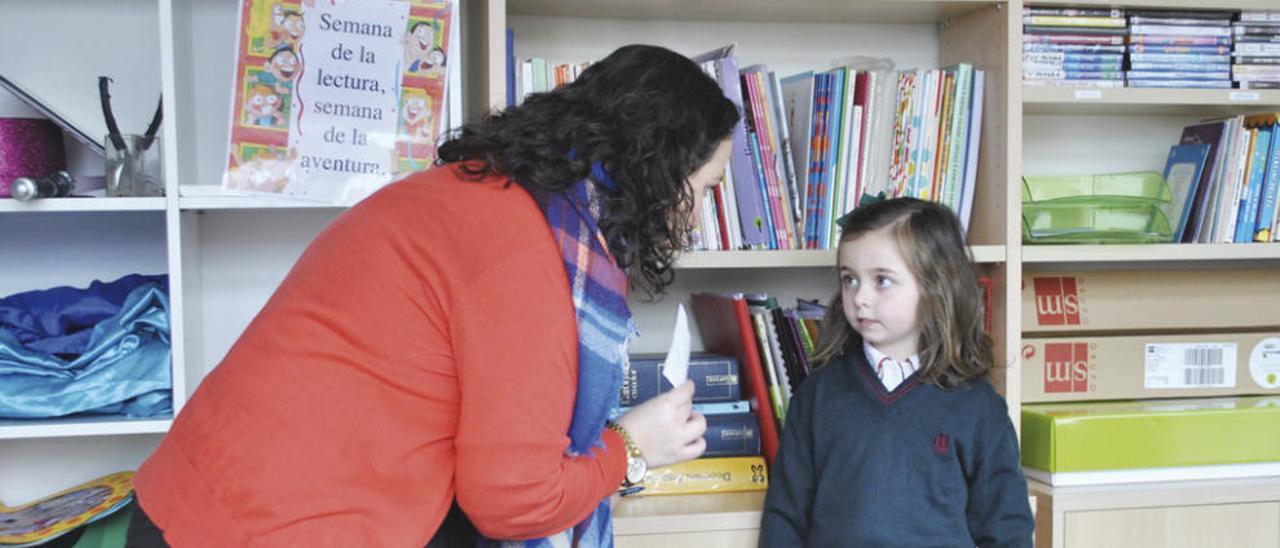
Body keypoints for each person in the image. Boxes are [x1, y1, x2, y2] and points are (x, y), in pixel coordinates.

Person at [127, 44, 739, 547]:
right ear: (657, 172)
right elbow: (513, 500)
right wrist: (630, 449)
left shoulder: (479, 192)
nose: (696, 219)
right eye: (704, 187)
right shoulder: (528, 253)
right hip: (264, 527)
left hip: (198, 497)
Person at [759, 198, 1035, 547]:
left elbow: (1007, 528)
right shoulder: (818, 395)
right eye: (850, 280)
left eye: (882, 281)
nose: (860, 298)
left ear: (935, 286)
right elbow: (785, 516)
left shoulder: (979, 408)